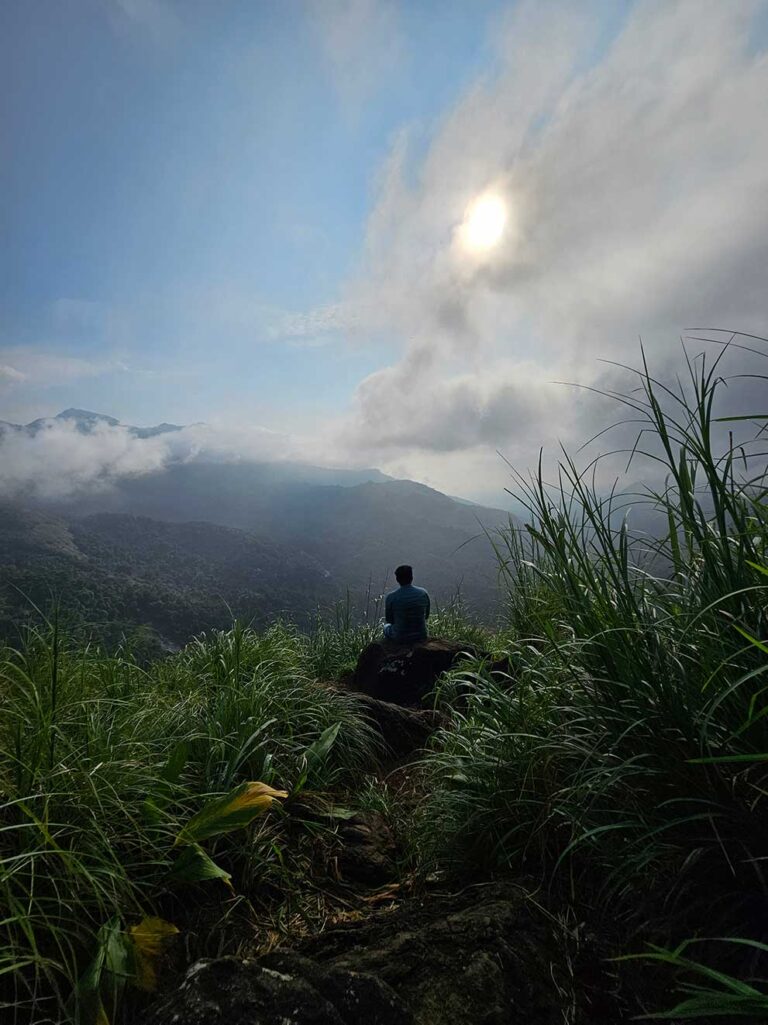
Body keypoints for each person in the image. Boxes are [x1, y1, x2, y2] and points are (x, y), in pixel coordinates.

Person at [383, 564, 430, 644]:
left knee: (386, 627)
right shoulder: (423, 593)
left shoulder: (391, 597)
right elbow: (426, 616)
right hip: (421, 635)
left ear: (397, 579)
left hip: (400, 637)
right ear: (411, 577)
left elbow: (390, 620)